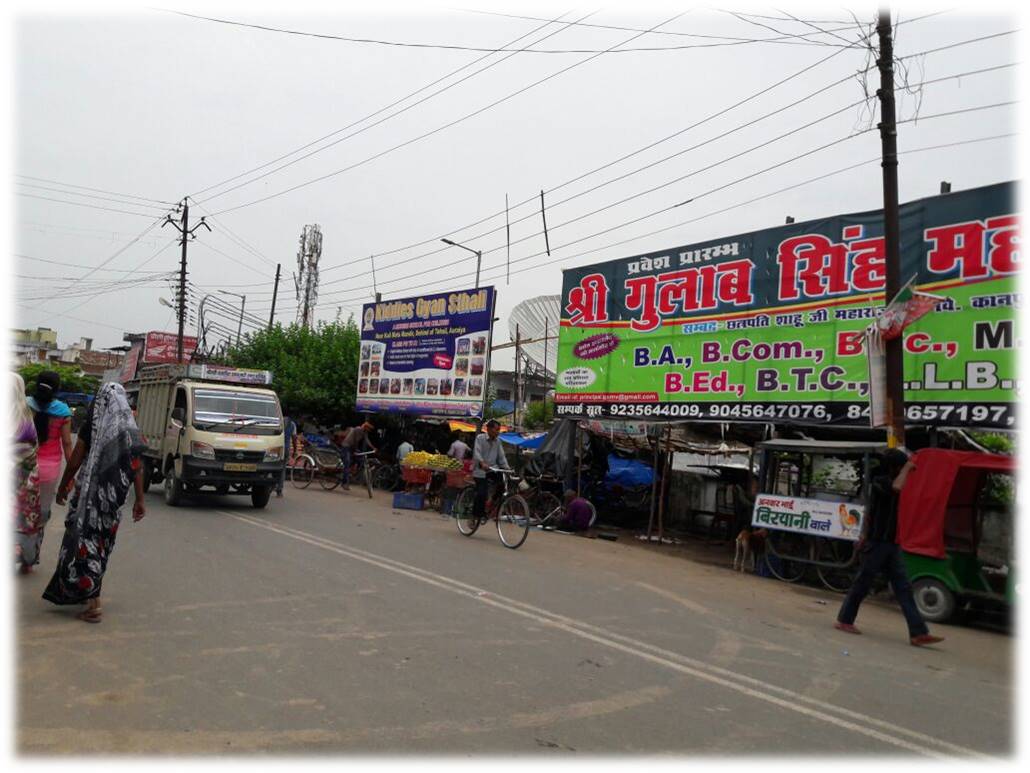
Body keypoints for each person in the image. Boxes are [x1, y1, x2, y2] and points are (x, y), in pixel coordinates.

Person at [43, 383, 146, 624]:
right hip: (114, 502)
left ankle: (93, 603)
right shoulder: (130, 430)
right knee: (101, 543)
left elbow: (76, 458)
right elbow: (136, 466)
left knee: (84, 543)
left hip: (89, 499)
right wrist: (139, 500)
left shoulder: (95, 425)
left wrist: (63, 486)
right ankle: (84, 591)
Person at [834, 449, 944, 647]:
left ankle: (918, 633)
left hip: (891, 544)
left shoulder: (889, 480)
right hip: (877, 542)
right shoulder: (880, 480)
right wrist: (908, 468)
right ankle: (845, 620)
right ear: (894, 467)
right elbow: (897, 488)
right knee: (863, 583)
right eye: (901, 467)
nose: (905, 471)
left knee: (904, 588)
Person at [26, 371, 73, 570]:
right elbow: (67, 443)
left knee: (21, 510)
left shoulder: (26, 404)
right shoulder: (63, 411)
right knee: (42, 513)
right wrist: (71, 476)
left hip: (25, 466)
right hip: (50, 471)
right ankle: (30, 557)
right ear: (57, 389)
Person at [13, 374, 43, 573]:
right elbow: (35, 447)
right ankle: (24, 559)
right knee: (26, 519)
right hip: (26, 479)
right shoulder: (26, 415)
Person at [472, 420, 510, 522]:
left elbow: (501, 457)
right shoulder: (480, 438)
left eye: (499, 430)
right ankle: (475, 515)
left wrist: (507, 468)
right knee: (481, 493)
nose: (497, 432)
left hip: (492, 470)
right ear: (488, 429)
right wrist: (482, 462)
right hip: (480, 471)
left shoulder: (498, 442)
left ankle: (491, 503)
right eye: (496, 429)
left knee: (503, 485)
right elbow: (477, 452)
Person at [340, 421, 376, 490]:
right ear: (365, 427)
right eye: (368, 429)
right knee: (347, 463)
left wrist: (373, 447)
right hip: (346, 446)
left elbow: (367, 440)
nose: (369, 431)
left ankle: (353, 468)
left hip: (353, 447)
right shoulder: (358, 429)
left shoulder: (364, 433)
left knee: (361, 458)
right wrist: (355, 450)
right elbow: (355, 440)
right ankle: (344, 483)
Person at [276, 412, 297, 498]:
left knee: (272, 467)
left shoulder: (277, 421)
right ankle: (279, 490)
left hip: (275, 448)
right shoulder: (292, 424)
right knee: (282, 469)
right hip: (286, 449)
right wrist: (294, 450)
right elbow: (294, 438)